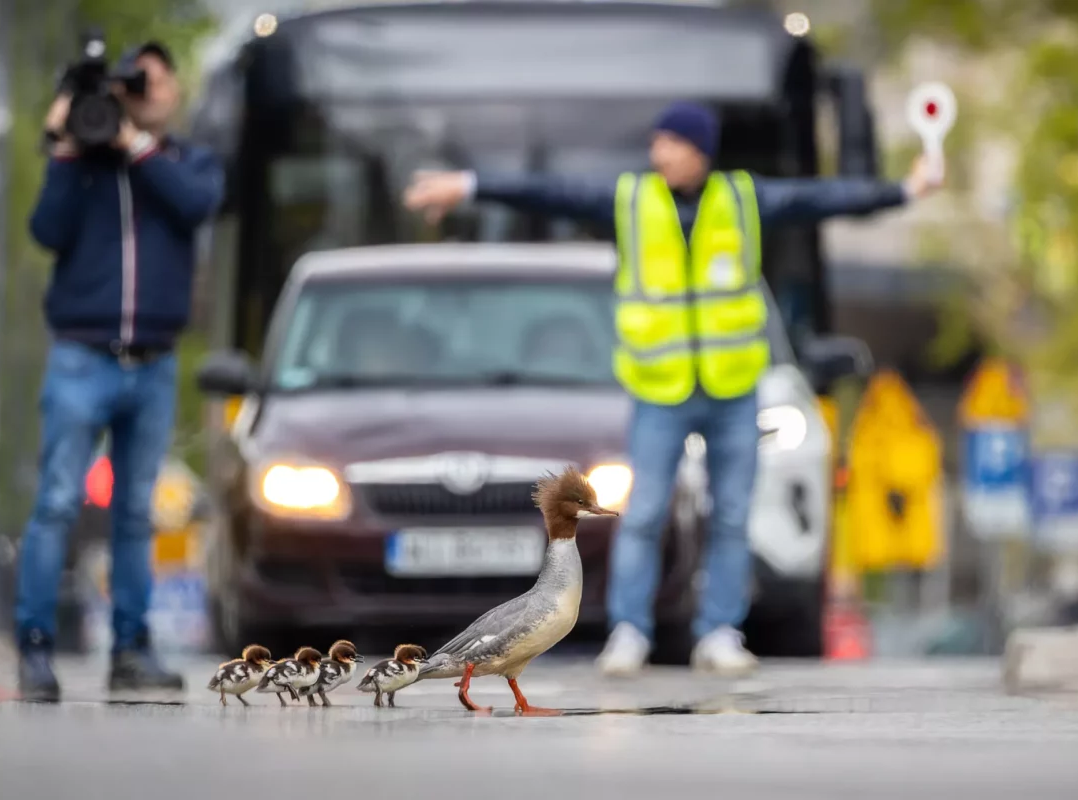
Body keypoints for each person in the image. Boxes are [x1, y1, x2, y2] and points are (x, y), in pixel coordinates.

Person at [403, 101, 943, 677]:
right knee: (643, 514)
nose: (658, 152)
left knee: (733, 514)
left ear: (698, 150)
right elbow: (551, 192)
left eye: (670, 142)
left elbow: (820, 198)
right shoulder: (633, 198)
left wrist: (905, 191)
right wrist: (469, 185)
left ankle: (718, 633)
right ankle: (630, 631)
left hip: (734, 387)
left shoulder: (742, 198)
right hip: (661, 390)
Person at [16, 41, 224, 701]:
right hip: (82, 356)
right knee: (55, 504)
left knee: (137, 513)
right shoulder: (84, 167)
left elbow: (195, 205)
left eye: (152, 83)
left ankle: (131, 650)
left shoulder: (187, 161)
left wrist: (135, 143)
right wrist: (67, 148)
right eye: (131, 83)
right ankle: (36, 649)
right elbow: (47, 232)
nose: (142, 92)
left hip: (154, 363)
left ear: (173, 93)